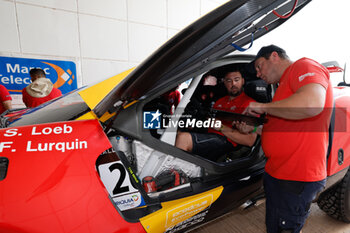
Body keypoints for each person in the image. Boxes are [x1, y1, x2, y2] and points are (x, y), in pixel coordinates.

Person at [237, 45, 333, 233]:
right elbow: (281, 128)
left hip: (296, 175)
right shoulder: (283, 89)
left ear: (274, 56)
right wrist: (254, 128)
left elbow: (312, 104)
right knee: (275, 225)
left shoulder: (303, 66)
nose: (258, 74)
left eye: (259, 66)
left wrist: (262, 107)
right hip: (279, 173)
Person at [175, 67, 257, 161]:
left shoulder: (250, 105)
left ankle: (175, 174)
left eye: (236, 80)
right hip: (211, 135)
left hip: (228, 141)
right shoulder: (220, 101)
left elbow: (250, 141)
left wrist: (220, 127)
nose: (233, 84)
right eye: (229, 81)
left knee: (183, 139)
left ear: (243, 81)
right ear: (225, 83)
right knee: (177, 132)